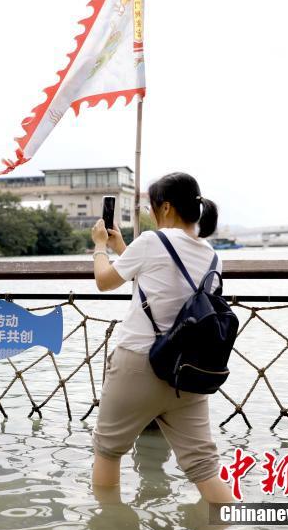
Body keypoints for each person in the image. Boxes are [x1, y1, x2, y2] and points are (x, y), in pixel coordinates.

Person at [90, 172, 232, 503]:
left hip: (138, 364)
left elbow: (104, 281)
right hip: (187, 370)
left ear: (165, 207)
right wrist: (121, 248)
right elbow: (161, 278)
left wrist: (99, 247)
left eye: (153, 207)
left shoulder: (153, 242)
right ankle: (230, 523)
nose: (152, 214)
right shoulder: (212, 255)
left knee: (109, 451)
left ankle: (111, 525)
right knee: (204, 468)